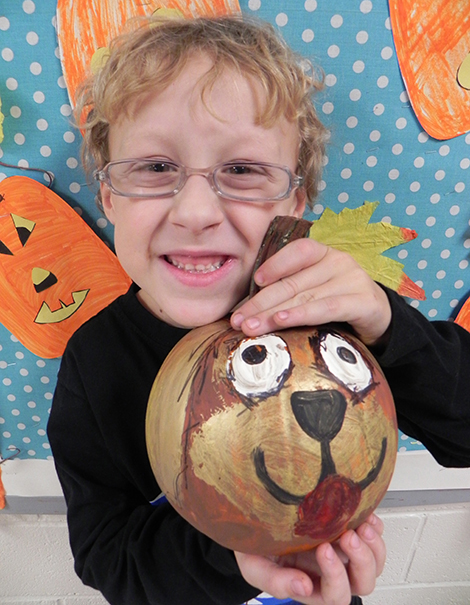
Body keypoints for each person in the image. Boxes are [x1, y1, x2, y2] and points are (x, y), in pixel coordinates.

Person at [46, 13, 467, 605]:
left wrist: (387, 323)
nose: (196, 211)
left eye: (241, 170)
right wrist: (242, 555)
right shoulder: (96, 361)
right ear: (110, 197)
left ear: (294, 201)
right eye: (155, 168)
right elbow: (106, 557)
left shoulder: (332, 318)